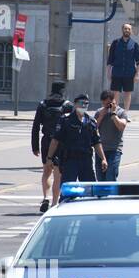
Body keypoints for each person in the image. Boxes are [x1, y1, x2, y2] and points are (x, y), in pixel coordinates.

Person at [46, 99, 107, 184]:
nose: (83, 106)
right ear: (75, 104)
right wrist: (49, 158)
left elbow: (97, 142)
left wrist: (103, 158)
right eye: (81, 103)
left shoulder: (91, 122)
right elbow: (55, 140)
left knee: (89, 189)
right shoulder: (65, 120)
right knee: (67, 190)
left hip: (86, 160)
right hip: (70, 160)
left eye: (86, 104)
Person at [32, 81, 68, 212]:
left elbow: (36, 126)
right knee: (57, 174)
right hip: (60, 143)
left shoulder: (43, 104)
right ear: (63, 91)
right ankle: (54, 203)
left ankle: (45, 197)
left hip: (46, 141)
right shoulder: (67, 105)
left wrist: (34, 146)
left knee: (46, 172)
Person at [106, 22, 139, 112]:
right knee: (115, 93)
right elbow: (110, 59)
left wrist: (137, 74)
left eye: (129, 29)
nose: (127, 30)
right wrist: (108, 72)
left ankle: (125, 113)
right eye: (125, 28)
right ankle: (114, 112)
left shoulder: (134, 44)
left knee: (128, 93)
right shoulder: (115, 43)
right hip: (117, 72)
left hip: (129, 73)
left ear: (131, 31)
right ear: (122, 30)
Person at [93, 90, 129, 181]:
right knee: (100, 177)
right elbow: (93, 128)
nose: (107, 106)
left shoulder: (121, 112)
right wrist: (101, 116)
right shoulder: (99, 112)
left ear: (114, 101)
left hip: (114, 149)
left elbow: (121, 126)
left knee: (110, 176)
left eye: (109, 103)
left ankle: (111, 195)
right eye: (104, 104)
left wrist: (113, 114)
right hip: (101, 150)